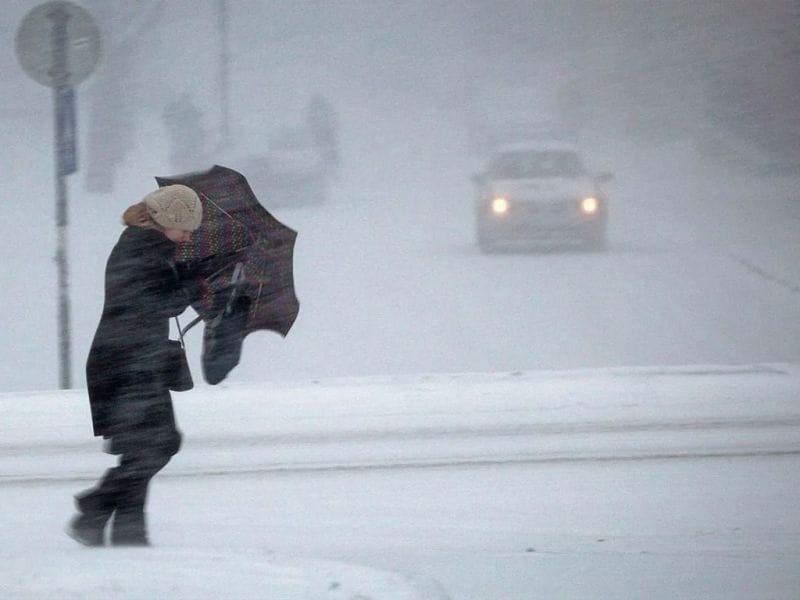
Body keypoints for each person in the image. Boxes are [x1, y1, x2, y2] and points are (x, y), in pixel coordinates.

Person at [67, 184, 203, 547]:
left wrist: (191, 278)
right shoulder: (141, 249)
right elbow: (161, 303)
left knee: (142, 448)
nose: (189, 235)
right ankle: (95, 508)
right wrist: (192, 284)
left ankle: (127, 534)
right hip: (127, 363)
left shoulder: (145, 247)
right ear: (167, 219)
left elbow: (160, 297)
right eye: (186, 227)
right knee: (161, 443)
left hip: (131, 359)